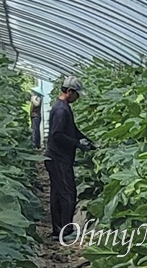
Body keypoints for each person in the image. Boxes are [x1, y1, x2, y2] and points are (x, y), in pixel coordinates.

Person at [45, 76, 96, 241]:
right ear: (69, 92)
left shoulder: (63, 107)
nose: (78, 98)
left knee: (58, 195)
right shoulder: (61, 110)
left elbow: (72, 130)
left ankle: (57, 230)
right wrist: (77, 144)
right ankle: (65, 232)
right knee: (68, 194)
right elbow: (57, 135)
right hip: (59, 158)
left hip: (56, 158)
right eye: (77, 94)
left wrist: (87, 141)